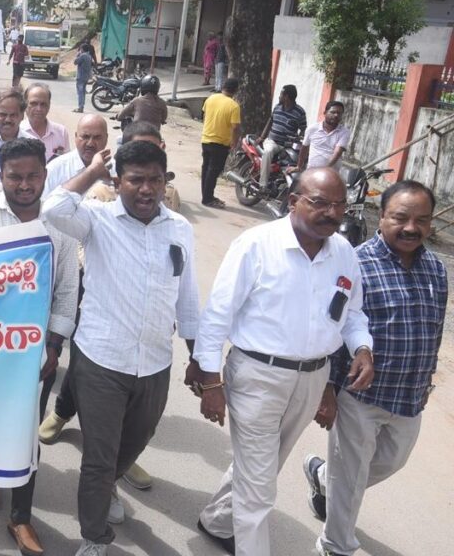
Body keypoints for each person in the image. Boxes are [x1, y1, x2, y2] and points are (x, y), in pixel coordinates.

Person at [191, 168, 375, 556]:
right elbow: (218, 316)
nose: (332, 212)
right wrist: (210, 383)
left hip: (312, 377)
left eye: (340, 204)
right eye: (320, 202)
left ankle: (216, 520)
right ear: (293, 202)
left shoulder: (343, 252)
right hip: (257, 375)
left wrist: (362, 349)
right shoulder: (256, 245)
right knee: (259, 490)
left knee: (264, 465)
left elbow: (351, 315)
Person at [43, 140, 200, 556]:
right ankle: (94, 537)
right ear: (119, 182)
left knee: (135, 441)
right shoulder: (95, 219)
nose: (146, 189)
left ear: (164, 181)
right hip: (101, 360)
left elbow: (186, 296)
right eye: (136, 180)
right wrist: (93, 170)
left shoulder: (179, 230)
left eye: (155, 180)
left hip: (154, 362)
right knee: (99, 455)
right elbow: (53, 208)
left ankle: (110, 484)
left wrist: (198, 357)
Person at [302, 181, 446, 556]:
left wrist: (427, 374)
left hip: (409, 394)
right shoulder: (356, 263)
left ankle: (321, 476)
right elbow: (337, 327)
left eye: (422, 220)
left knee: (391, 461)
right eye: (400, 217)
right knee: (349, 479)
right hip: (359, 394)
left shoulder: (436, 268)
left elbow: (434, 325)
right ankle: (335, 545)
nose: (411, 227)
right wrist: (328, 389)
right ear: (380, 217)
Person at [0, 138, 78, 556]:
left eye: (33, 176)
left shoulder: (61, 226)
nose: (25, 184)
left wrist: (54, 344)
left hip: (35, 353)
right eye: (15, 176)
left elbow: (67, 291)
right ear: (2, 176)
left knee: (26, 431)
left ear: (45, 176)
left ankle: (21, 518)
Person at [42, 114, 108, 198]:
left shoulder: (116, 169)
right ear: (76, 137)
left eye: (97, 138)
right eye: (85, 137)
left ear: (106, 138)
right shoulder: (55, 169)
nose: (90, 144)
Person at [200, 77, 241, 209]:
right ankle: (207, 198)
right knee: (213, 171)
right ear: (235, 90)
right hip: (220, 142)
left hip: (206, 139)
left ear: (223, 87)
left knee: (206, 168)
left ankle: (206, 195)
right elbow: (235, 127)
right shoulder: (234, 106)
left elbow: (205, 115)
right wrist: (234, 142)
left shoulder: (211, 98)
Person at [258, 84, 307, 190]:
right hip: (273, 141)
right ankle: (262, 185)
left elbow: (304, 128)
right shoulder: (277, 107)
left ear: (287, 97)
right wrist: (262, 137)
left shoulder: (300, 112)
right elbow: (270, 121)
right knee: (268, 152)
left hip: (288, 145)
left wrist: (299, 137)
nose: (279, 96)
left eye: (281, 94)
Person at [21, 83, 70, 161]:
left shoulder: (61, 132)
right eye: (34, 103)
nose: (39, 109)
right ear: (25, 104)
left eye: (43, 104)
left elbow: (67, 163)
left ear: (49, 105)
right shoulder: (17, 132)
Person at [299, 101, 351, 171]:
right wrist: (299, 166)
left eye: (339, 113)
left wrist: (324, 170)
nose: (336, 115)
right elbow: (304, 148)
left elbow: (337, 152)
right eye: (333, 112)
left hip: (331, 175)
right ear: (325, 113)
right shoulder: (312, 129)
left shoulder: (344, 132)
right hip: (311, 172)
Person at [74, 44, 94, 113]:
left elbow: (75, 62)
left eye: (80, 49)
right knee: (83, 92)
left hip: (81, 76)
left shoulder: (83, 56)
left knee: (80, 92)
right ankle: (81, 106)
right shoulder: (89, 56)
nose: (80, 50)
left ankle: (80, 107)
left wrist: (78, 54)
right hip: (86, 76)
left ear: (82, 49)